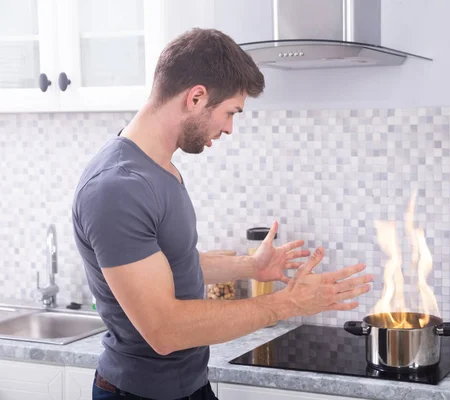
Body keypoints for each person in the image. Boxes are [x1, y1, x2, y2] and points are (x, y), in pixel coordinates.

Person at [72, 28, 373, 400]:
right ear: (196, 97)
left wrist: (250, 267)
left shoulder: (158, 168)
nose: (230, 127)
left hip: (189, 386)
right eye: (231, 112)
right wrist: (288, 302)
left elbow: (170, 261)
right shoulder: (117, 187)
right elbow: (164, 330)